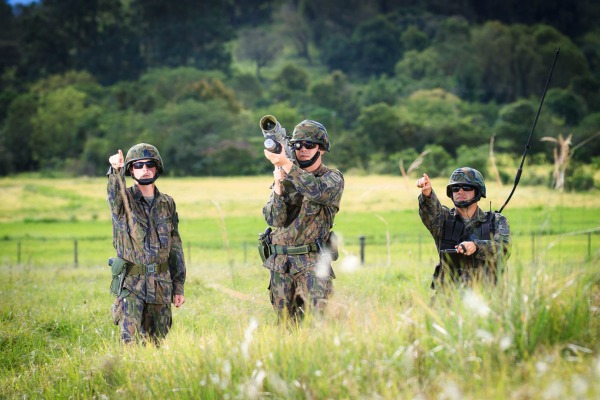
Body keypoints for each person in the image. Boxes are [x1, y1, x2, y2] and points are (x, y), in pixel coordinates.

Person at [262, 120, 344, 321]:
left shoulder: (332, 178)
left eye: (309, 145)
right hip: (281, 265)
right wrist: (279, 186)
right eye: (297, 145)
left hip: (312, 265)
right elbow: (274, 219)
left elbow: (316, 191)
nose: (303, 150)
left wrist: (287, 165)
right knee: (285, 328)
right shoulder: (286, 176)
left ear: (321, 148)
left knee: (317, 325)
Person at [107, 143, 186, 344]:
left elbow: (175, 245)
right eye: (138, 165)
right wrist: (115, 170)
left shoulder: (167, 203)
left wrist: (179, 286)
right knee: (130, 343)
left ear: (157, 167)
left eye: (149, 164)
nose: (144, 169)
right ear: (131, 170)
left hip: (161, 286)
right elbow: (115, 193)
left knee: (157, 344)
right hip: (132, 286)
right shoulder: (124, 201)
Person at [416, 167, 511, 290]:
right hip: (449, 294)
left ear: (478, 191)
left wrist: (476, 246)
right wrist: (427, 194)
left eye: (466, 188)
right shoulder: (443, 219)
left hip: (487, 292)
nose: (460, 192)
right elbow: (430, 213)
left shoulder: (496, 220)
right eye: (455, 189)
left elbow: (504, 249)